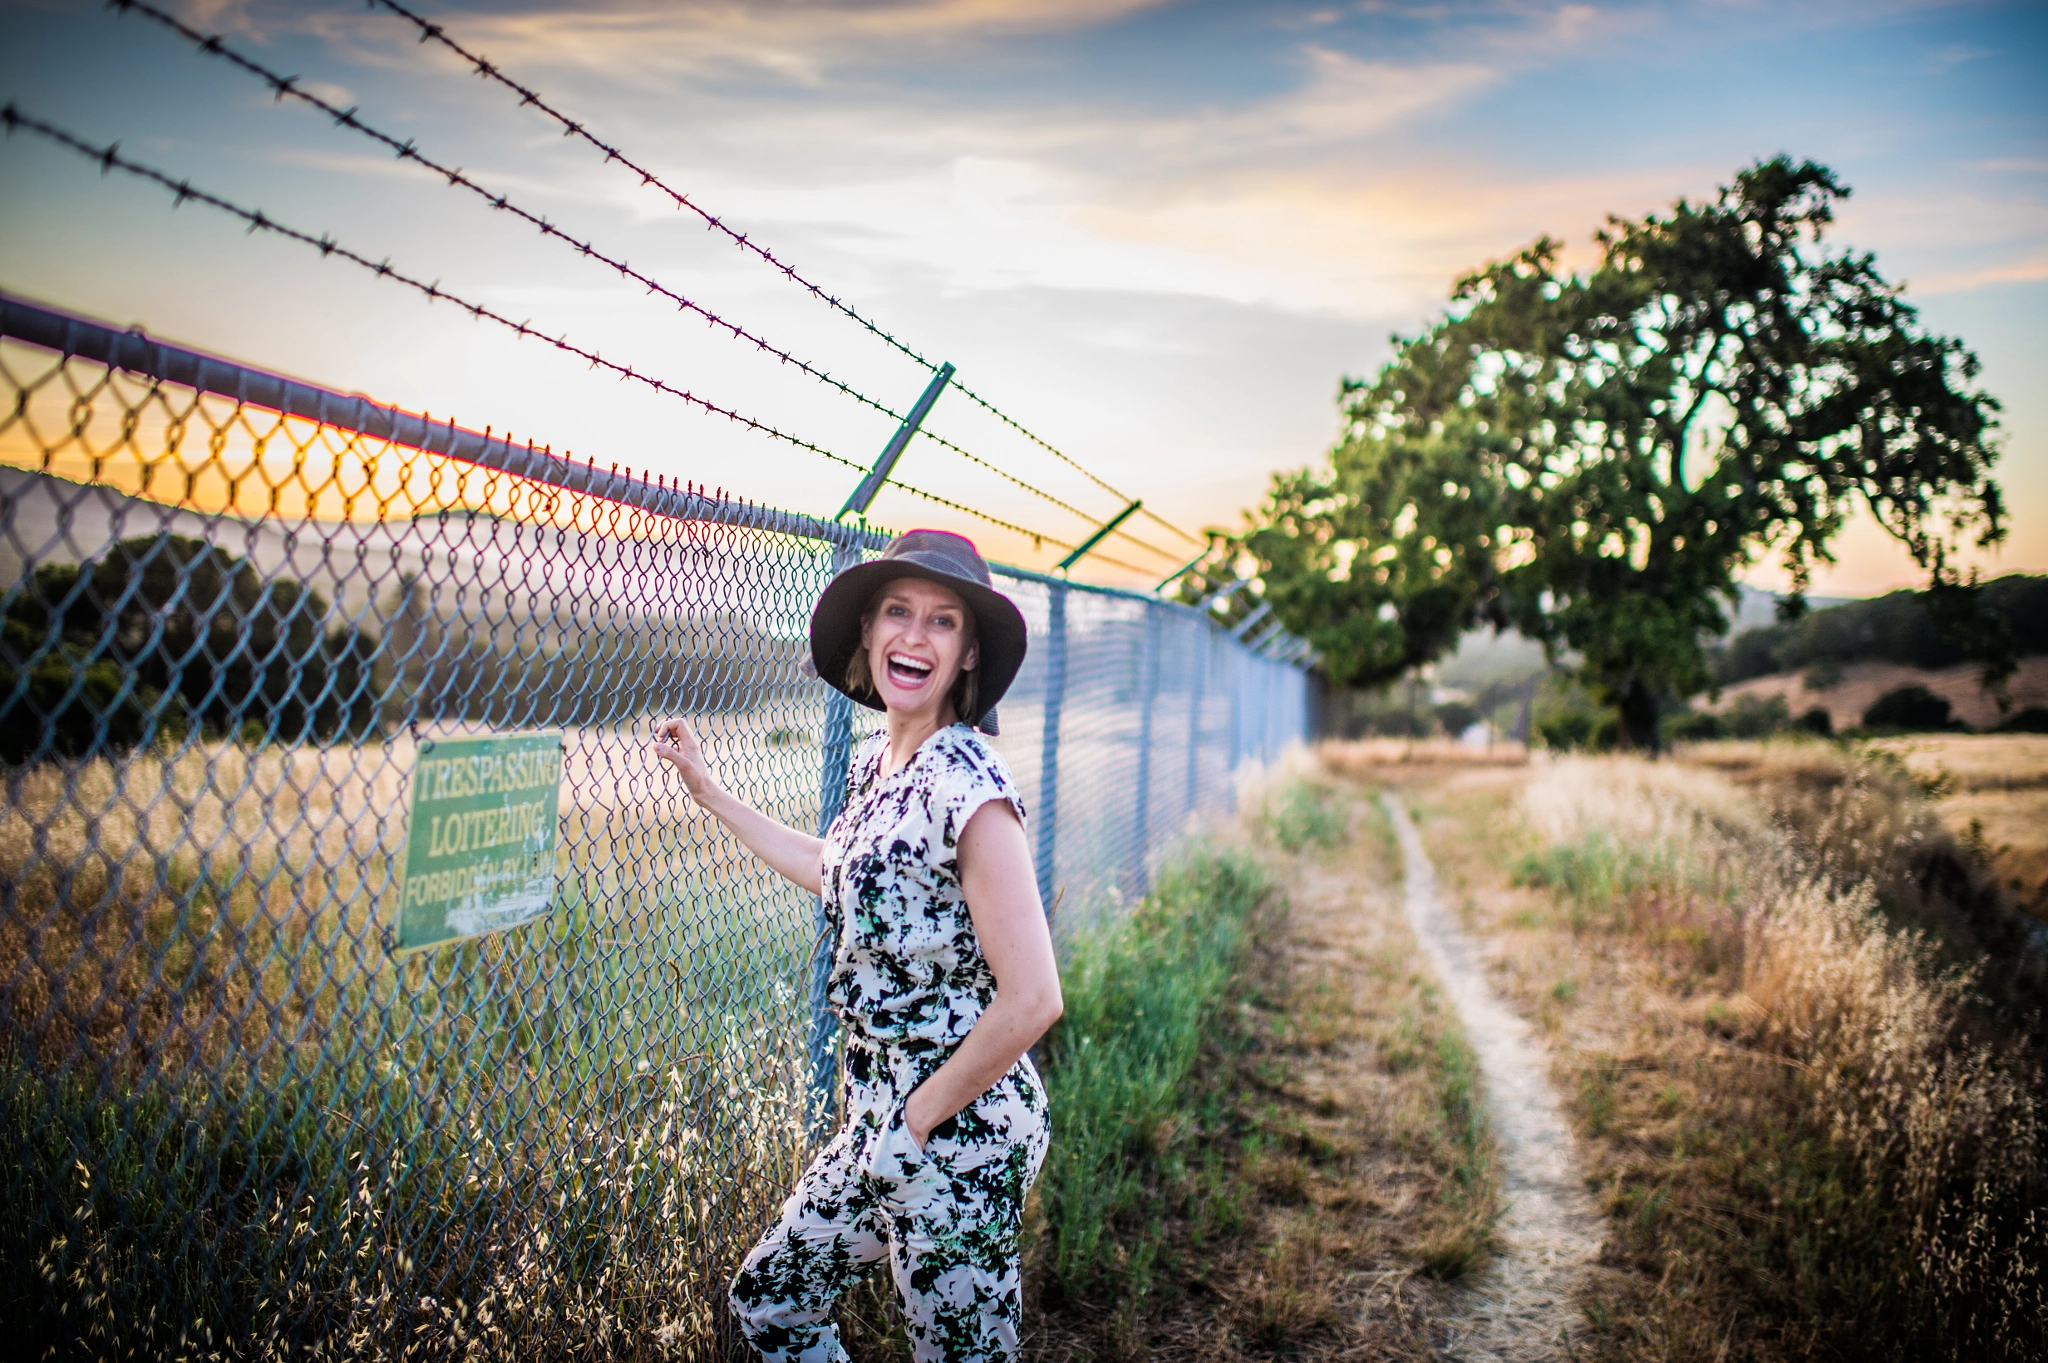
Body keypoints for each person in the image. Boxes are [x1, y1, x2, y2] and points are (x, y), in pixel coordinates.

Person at [652, 529, 1063, 1363]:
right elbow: (833, 866)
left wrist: (913, 1123)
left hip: (959, 1127)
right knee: (772, 1301)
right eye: (898, 613)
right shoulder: (881, 763)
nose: (915, 635)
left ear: (968, 652)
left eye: (942, 621)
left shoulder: (969, 788)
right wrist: (712, 793)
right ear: (869, 633)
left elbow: (1034, 998)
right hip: (883, 1123)